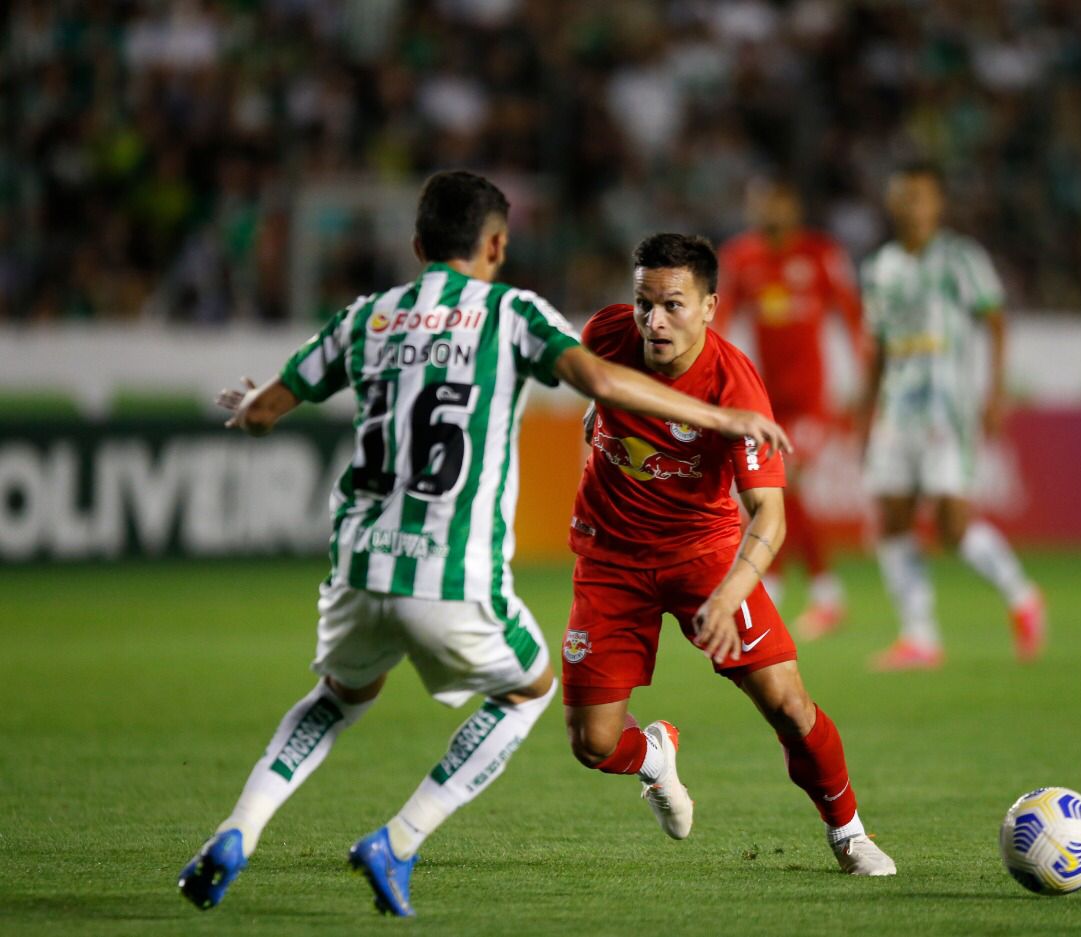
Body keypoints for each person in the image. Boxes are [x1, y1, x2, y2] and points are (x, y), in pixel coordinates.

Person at [177, 171, 791, 917]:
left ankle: (237, 830)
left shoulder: (368, 315)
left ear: (416, 244)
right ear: (496, 245)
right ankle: (400, 839)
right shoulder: (510, 314)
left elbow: (268, 406)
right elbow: (599, 379)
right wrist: (724, 421)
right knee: (530, 692)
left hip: (355, 567)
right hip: (450, 571)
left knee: (336, 699)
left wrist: (249, 405)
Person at [560, 233, 896, 876]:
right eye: (643, 303)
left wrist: (728, 594)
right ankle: (655, 756)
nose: (654, 321)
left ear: (711, 306)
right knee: (593, 743)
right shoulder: (605, 333)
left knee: (788, 705)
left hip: (703, 556)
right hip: (609, 560)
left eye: (673, 305)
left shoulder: (735, 385)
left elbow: (769, 514)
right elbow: (592, 382)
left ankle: (849, 832)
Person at [858, 162, 1045, 671]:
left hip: (947, 406)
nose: (910, 206)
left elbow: (996, 322)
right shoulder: (879, 268)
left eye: (920, 197)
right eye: (902, 196)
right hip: (897, 407)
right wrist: (865, 414)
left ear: (938, 204)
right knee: (893, 517)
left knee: (951, 526)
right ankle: (919, 636)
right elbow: (875, 348)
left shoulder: (961, 258)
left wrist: (995, 392)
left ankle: (1021, 595)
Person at [716, 178, 866, 638]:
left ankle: (790, 590)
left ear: (793, 205)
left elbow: (854, 318)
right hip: (765, 402)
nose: (769, 209)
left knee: (784, 487)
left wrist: (865, 382)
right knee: (776, 494)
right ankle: (821, 595)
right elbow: (719, 319)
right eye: (761, 201)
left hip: (811, 401)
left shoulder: (821, 254)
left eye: (777, 201)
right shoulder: (741, 258)